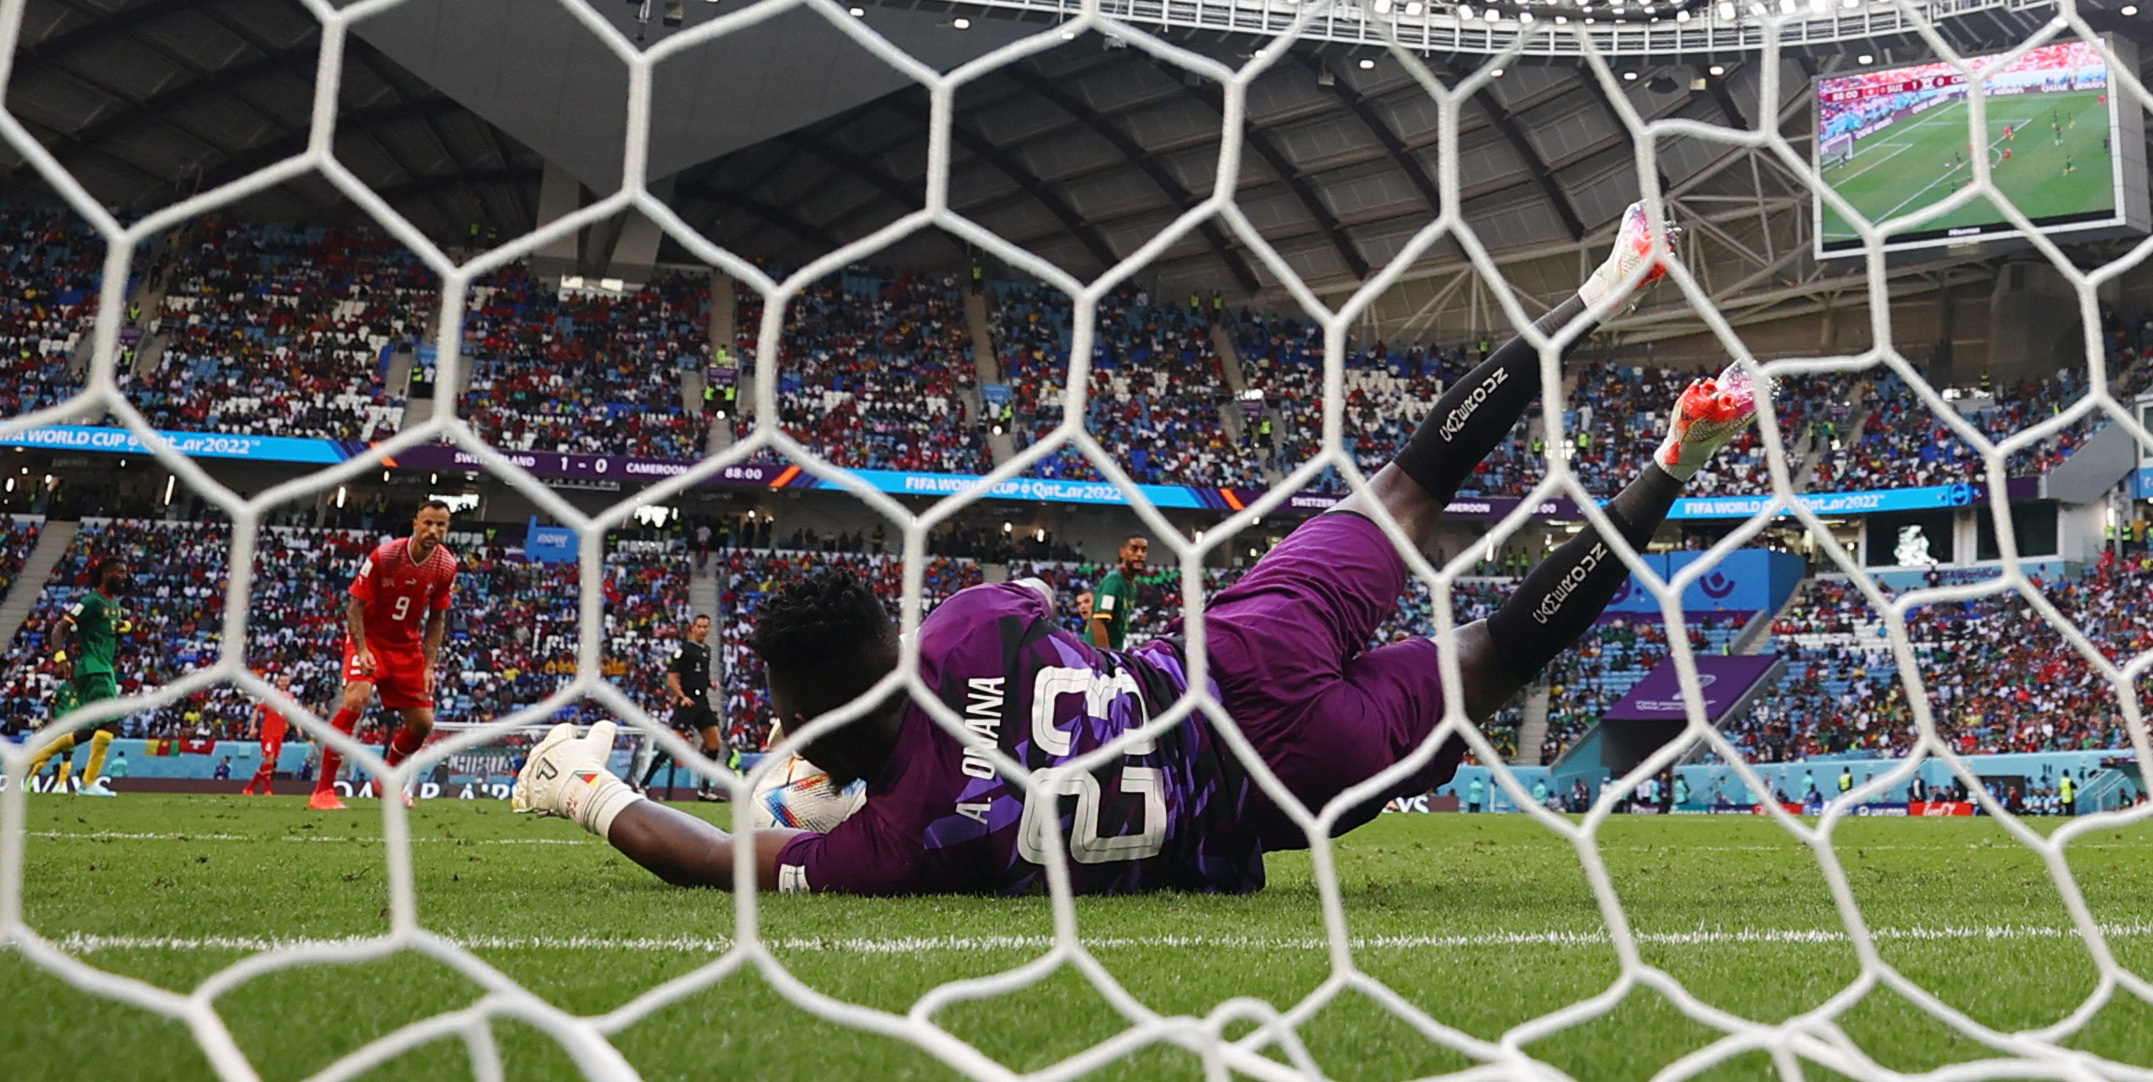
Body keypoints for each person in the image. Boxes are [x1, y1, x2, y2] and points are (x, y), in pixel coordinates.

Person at [514, 201, 1754, 895]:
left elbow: (704, 862)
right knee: (1409, 487)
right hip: (1223, 658)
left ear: (829, 719)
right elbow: (1040, 605)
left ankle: (1671, 460)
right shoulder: (959, 629)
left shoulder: (909, 840)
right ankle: (1603, 286)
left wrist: (586, 789)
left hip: (1270, 789)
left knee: (1492, 655)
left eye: (794, 722)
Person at [310, 501, 458, 811]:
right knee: (356, 698)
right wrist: (361, 649)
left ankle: (386, 781)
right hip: (371, 640)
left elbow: (437, 619)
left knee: (422, 724)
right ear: (415, 523)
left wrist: (430, 665)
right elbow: (354, 606)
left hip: (407, 648)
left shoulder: (446, 565)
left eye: (440, 525)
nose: (433, 530)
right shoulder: (386, 555)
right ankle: (323, 791)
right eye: (428, 523)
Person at [25, 557, 131, 797]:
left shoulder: (114, 603)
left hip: (103, 669)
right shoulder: (92, 600)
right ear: (105, 573)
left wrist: (123, 627)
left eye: (125, 573)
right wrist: (61, 658)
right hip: (95, 669)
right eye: (119, 572)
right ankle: (88, 784)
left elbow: (108, 629)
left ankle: (31, 759)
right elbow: (59, 628)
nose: (123, 577)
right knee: (110, 724)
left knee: (90, 731)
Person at [634, 614, 728, 798]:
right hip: (687, 702)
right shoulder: (684, 650)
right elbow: (672, 677)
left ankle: (705, 789)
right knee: (672, 745)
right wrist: (682, 696)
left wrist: (710, 684)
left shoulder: (706, 651)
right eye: (699, 626)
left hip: (702, 702)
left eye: (705, 626)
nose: (703, 629)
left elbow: (698, 674)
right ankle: (643, 783)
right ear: (693, 628)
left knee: (714, 743)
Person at [1090, 535, 1147, 650]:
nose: (1140, 554)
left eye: (1144, 550)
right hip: (1095, 657)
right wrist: (1107, 658)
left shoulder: (1131, 585)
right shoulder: (1114, 581)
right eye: (1134, 549)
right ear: (1122, 553)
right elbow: (1098, 622)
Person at [242, 672, 295, 796]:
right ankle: (267, 789)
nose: (284, 683)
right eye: (282, 680)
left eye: (286, 680)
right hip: (268, 732)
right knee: (269, 759)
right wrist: (252, 727)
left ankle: (249, 788)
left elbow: (288, 714)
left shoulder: (289, 697)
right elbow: (257, 711)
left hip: (279, 733)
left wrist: (288, 723)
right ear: (278, 682)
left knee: (270, 762)